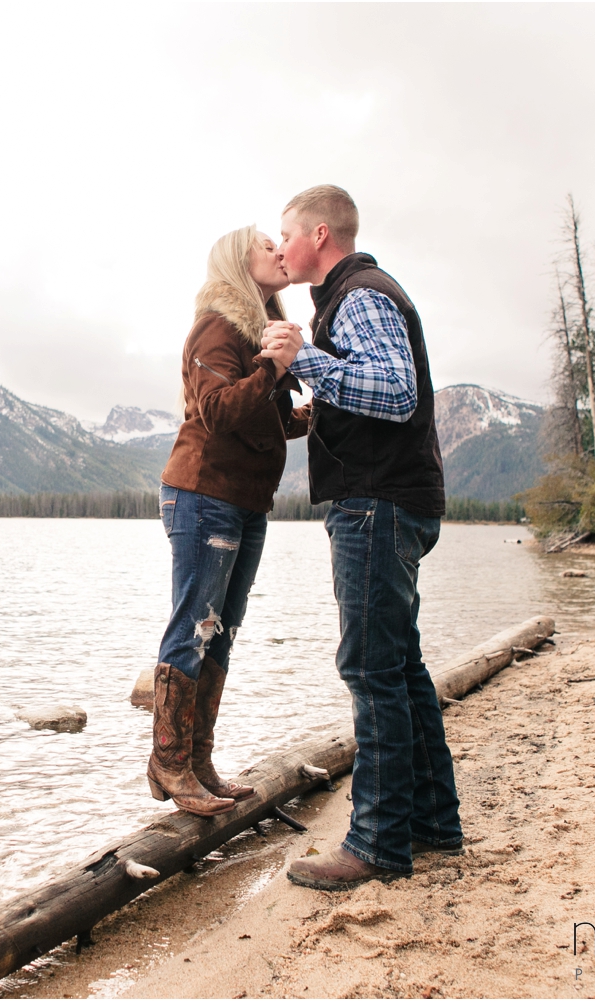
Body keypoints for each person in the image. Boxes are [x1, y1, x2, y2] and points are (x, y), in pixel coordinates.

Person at [261, 185, 463, 887]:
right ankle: (435, 824)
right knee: (400, 667)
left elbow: (395, 391)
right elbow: (372, 393)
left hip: (377, 505)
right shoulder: (350, 297)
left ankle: (377, 843)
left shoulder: (361, 293)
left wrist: (304, 360)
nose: (279, 245)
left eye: (285, 234)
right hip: (389, 499)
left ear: (320, 235)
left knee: (370, 669)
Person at [147, 225, 311, 817]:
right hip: (202, 494)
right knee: (196, 624)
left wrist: (306, 415)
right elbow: (218, 412)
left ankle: (198, 760)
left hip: (245, 499)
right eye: (267, 245)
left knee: (224, 629)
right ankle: (168, 761)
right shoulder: (216, 327)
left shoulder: (258, 331)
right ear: (239, 263)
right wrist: (273, 367)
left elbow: (262, 419)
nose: (279, 250)